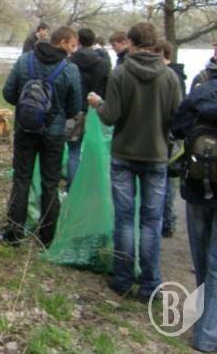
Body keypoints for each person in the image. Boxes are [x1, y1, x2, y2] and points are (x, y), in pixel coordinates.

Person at [87, 22, 181, 301]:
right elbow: (178, 119)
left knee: (125, 219)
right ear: (154, 43)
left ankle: (124, 279)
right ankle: (150, 283)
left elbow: (110, 117)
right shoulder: (170, 77)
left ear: (130, 42)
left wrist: (97, 104)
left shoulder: (120, 73)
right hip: (156, 155)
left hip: (124, 154)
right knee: (152, 221)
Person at [1, 26, 81, 246]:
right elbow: (75, 108)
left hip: (25, 129)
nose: (73, 50)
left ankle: (13, 233)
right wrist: (57, 113)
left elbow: (8, 93)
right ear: (62, 42)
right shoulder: (70, 69)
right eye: (72, 45)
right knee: (50, 183)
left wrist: (26, 107)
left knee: (21, 179)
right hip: (53, 134)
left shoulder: (24, 61)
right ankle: (47, 236)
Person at [171, 69, 217, 352]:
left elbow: (176, 128)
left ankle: (203, 320)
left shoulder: (201, 92)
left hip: (197, 186)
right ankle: (207, 335)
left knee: (201, 261)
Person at [66, 28, 110, 189]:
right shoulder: (103, 62)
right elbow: (107, 86)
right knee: (95, 149)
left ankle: (72, 188)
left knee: (74, 150)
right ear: (93, 41)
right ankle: (94, 185)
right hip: (96, 109)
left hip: (75, 109)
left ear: (78, 40)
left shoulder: (70, 61)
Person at [153, 39, 186, 237]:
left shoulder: (170, 75)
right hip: (167, 132)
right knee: (164, 178)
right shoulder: (175, 75)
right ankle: (167, 220)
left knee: (164, 178)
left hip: (166, 133)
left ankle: (167, 220)